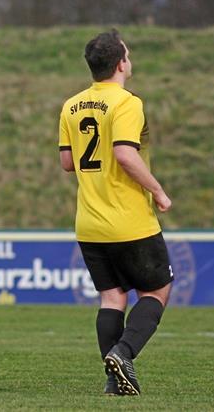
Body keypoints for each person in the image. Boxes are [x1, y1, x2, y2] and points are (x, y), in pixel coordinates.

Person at [58, 30, 174, 396]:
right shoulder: (127, 103)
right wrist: (157, 189)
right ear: (121, 63)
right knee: (157, 291)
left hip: (90, 223)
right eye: (129, 55)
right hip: (129, 220)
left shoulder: (71, 105)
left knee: (112, 298)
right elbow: (125, 154)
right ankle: (123, 354)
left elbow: (66, 162)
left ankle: (115, 381)